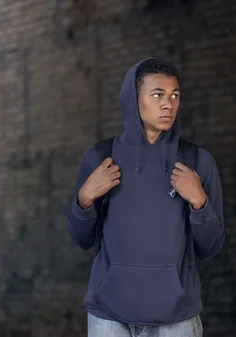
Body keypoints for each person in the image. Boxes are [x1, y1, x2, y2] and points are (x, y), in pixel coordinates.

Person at [66, 57, 225, 337]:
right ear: (133, 99)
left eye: (175, 96)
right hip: (109, 317)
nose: (169, 104)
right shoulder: (102, 157)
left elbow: (211, 247)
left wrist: (199, 203)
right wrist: (85, 199)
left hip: (176, 319)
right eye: (158, 95)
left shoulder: (196, 161)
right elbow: (82, 239)